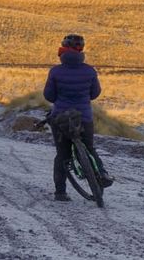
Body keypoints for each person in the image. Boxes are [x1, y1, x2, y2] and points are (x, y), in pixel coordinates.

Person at [43, 33, 111, 201]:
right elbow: (95, 93)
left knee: (62, 155)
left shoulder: (56, 71)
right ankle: (101, 174)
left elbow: (49, 96)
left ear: (63, 50)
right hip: (84, 117)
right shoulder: (89, 71)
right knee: (89, 148)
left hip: (61, 118)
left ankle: (60, 192)